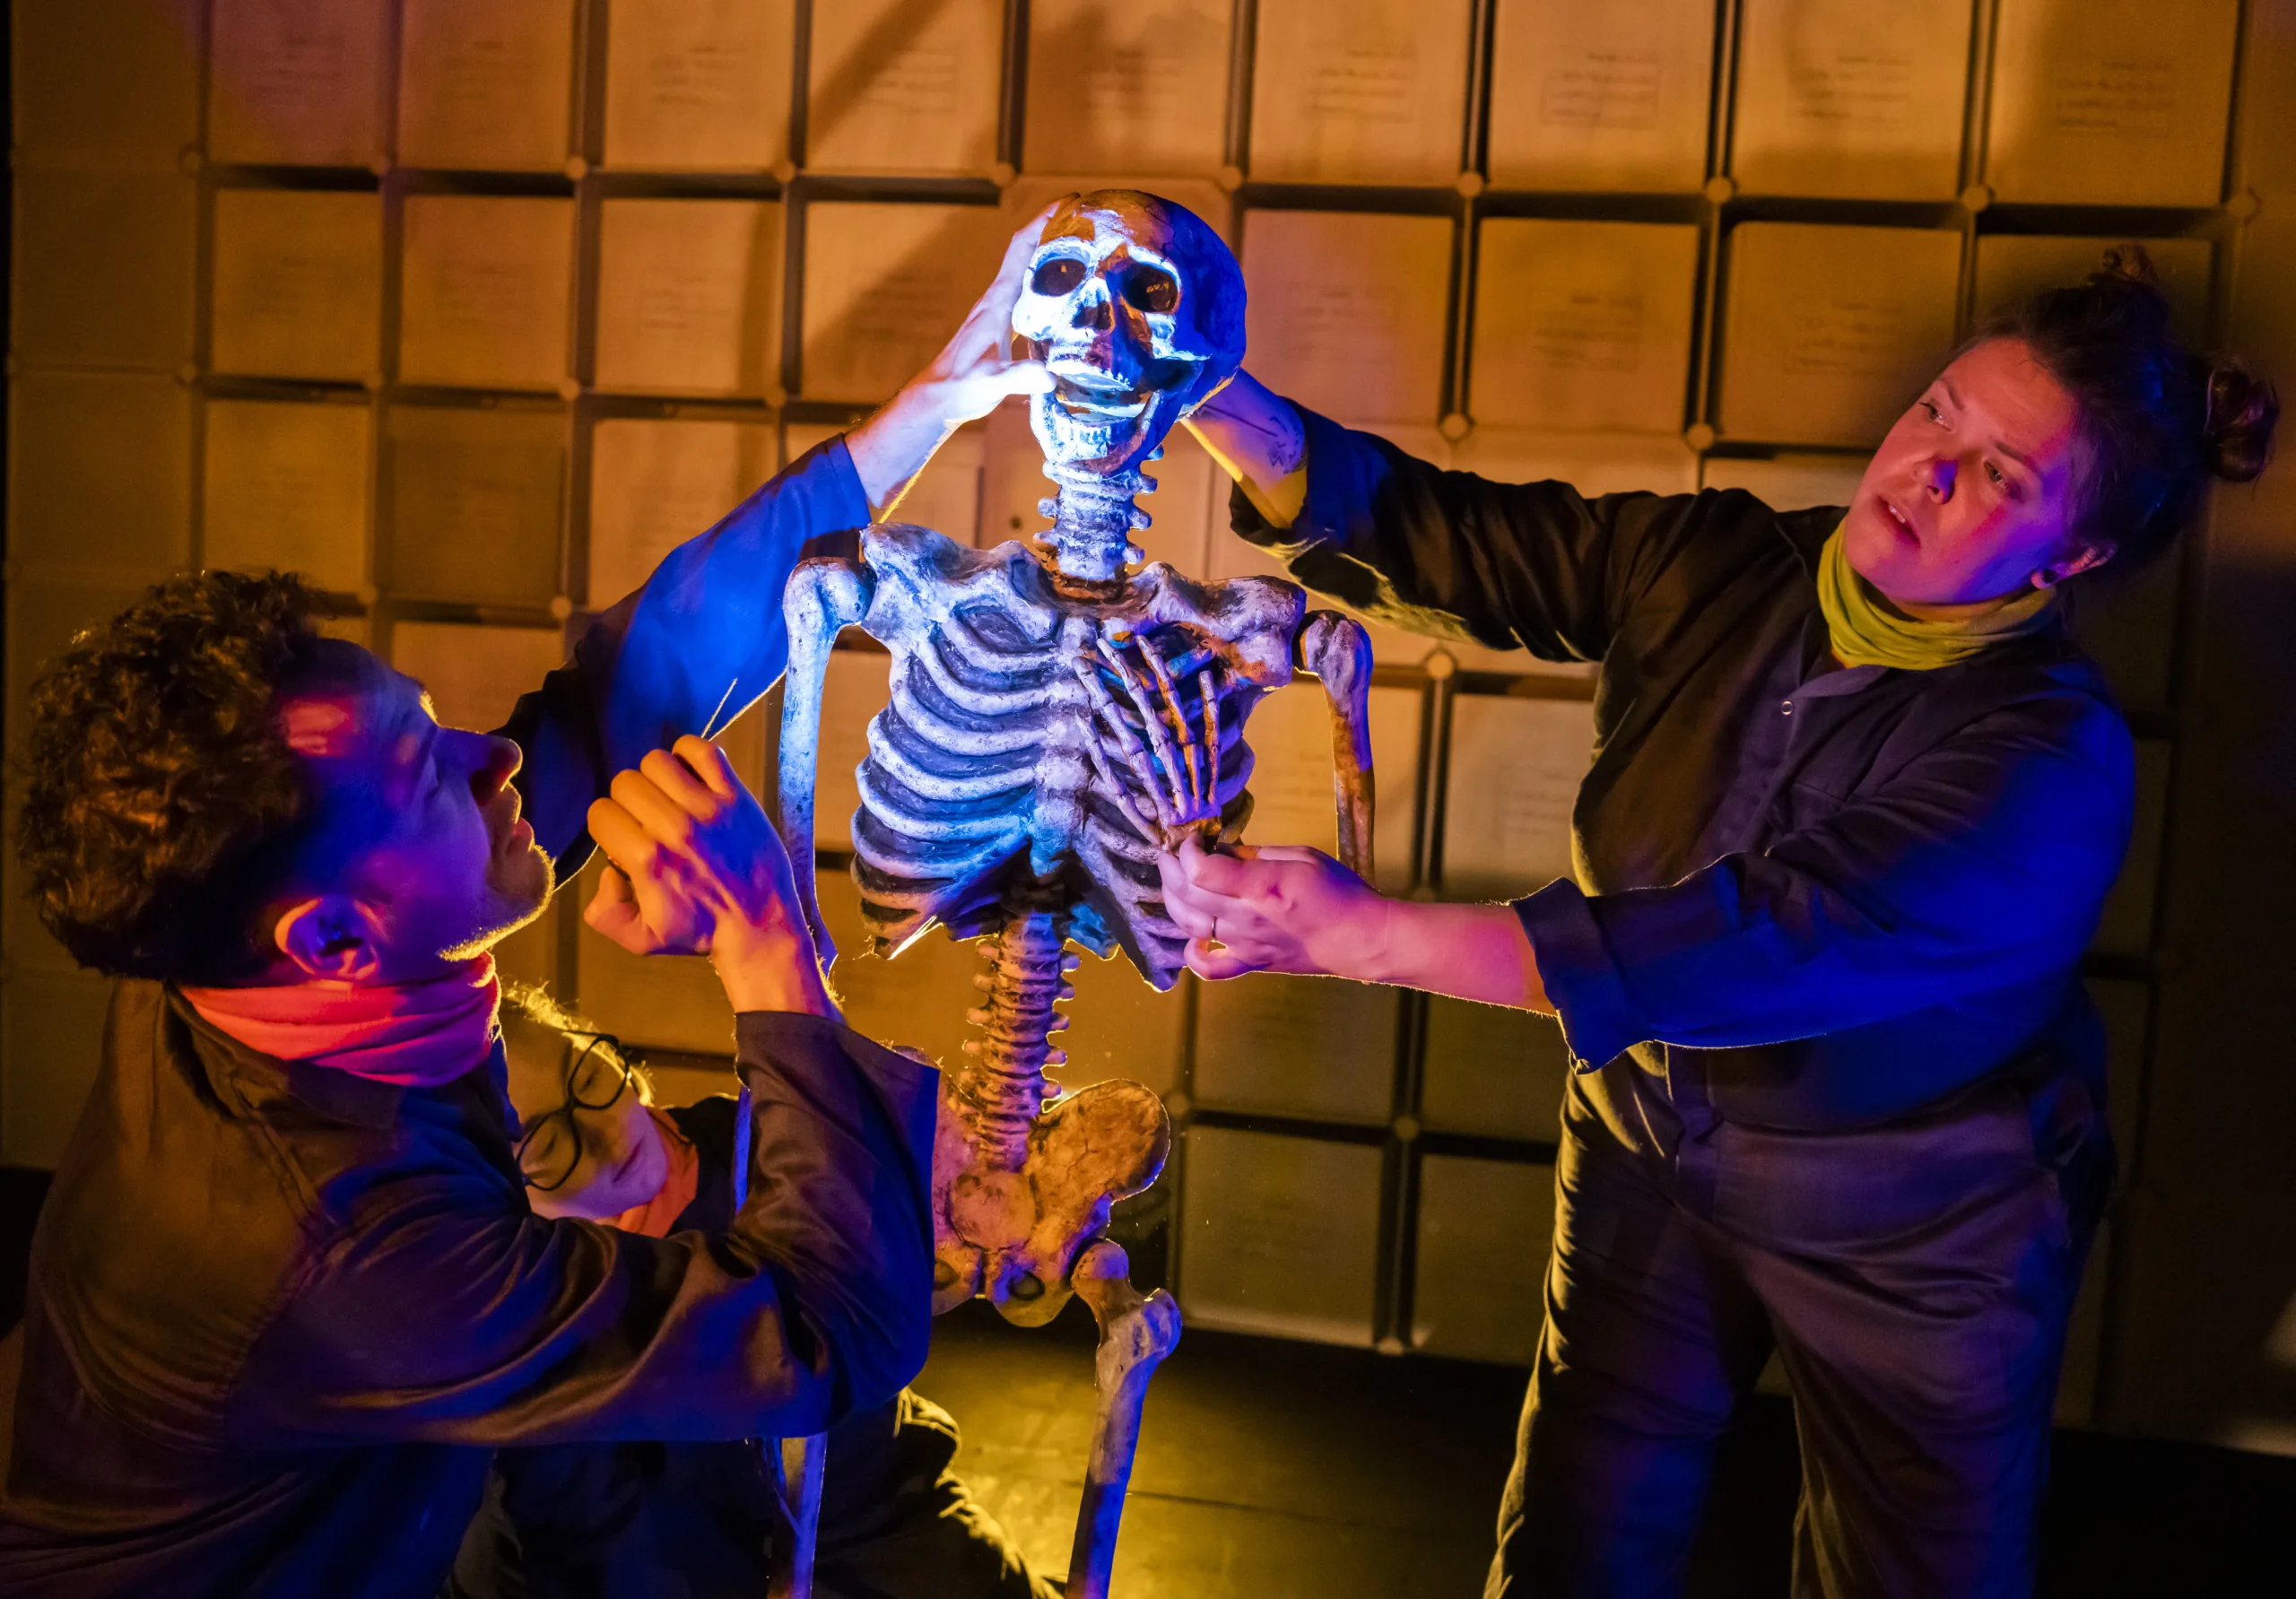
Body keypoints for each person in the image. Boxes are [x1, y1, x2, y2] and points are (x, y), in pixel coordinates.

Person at [1138, 251, 2274, 1595]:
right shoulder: (1726, 562)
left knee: (1910, 1572)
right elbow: (1452, 538)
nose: (1926, 469)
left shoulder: (2047, 761)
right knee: (1575, 1531)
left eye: (2000, 475)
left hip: (1917, 1217)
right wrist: (1193, 381)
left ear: (2073, 553)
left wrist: (1360, 936)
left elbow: (1752, 938)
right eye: (1936, 412)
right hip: (1648, 1138)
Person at [0, 208, 1065, 1597]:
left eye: (428, 719)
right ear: (334, 940)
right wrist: (768, 947)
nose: (493, 757)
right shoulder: (344, 1252)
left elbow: (612, 702)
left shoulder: (223, 942)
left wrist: (922, 415)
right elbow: (830, 1335)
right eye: (425, 772)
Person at [443, 984, 1057, 1599]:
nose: (603, 1133)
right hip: (687, 1562)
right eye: (549, 1145)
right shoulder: (542, 1304)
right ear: (494, 1187)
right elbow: (587, 1532)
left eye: (588, 1075)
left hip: (865, 1497)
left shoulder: (770, 1144)